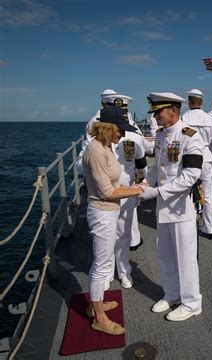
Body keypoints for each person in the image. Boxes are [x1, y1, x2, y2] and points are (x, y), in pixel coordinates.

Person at [139, 92, 204, 321]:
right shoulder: (160, 136)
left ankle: (192, 302)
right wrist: (145, 184)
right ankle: (172, 293)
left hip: (181, 207)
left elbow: (191, 176)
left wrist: (155, 192)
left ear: (173, 111)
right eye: (155, 112)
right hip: (163, 206)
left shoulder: (191, 136)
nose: (155, 116)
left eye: (158, 112)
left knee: (186, 258)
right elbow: (158, 168)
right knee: (165, 254)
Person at [82, 106, 142, 335]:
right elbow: (107, 191)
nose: (122, 135)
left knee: (103, 262)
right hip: (102, 212)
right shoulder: (96, 151)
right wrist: (136, 191)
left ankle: (94, 304)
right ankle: (99, 317)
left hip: (109, 211)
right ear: (108, 128)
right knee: (102, 265)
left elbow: (113, 185)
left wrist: (132, 187)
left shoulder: (105, 147)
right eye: (120, 130)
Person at [182, 89, 212, 240]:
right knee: (208, 194)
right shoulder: (209, 118)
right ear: (202, 102)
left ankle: (187, 226)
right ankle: (210, 228)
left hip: (188, 157)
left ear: (189, 102)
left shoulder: (184, 118)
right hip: (206, 157)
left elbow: (181, 140)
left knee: (186, 192)